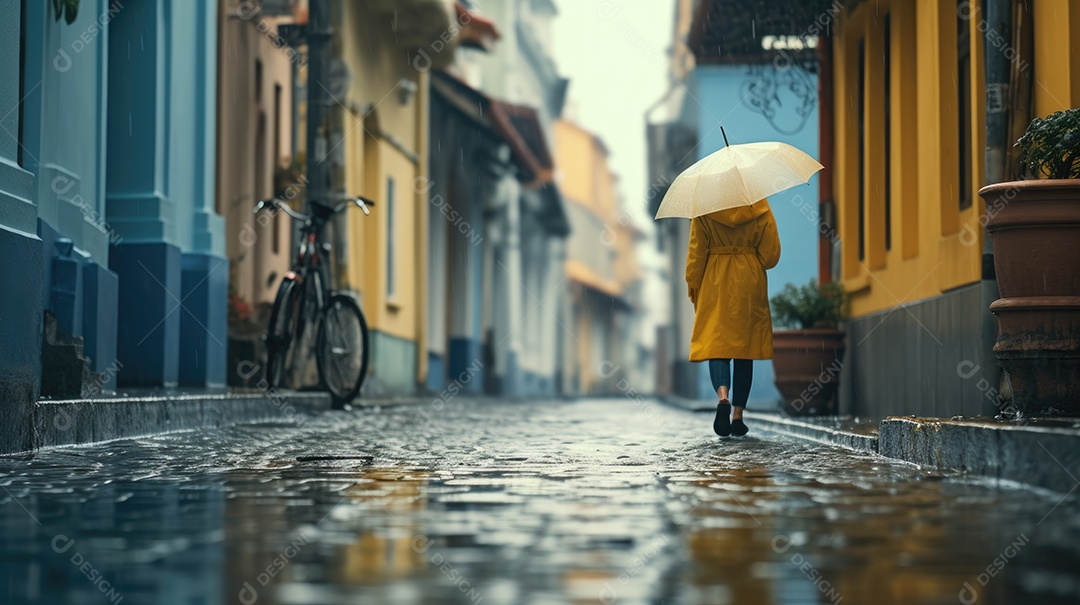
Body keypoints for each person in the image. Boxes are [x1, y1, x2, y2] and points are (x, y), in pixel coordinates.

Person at [685, 198, 781, 437]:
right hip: (749, 278)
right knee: (744, 349)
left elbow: (696, 255)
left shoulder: (704, 207)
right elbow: (771, 256)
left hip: (715, 280)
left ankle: (723, 397)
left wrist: (693, 285)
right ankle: (738, 415)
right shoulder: (759, 205)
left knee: (717, 344)